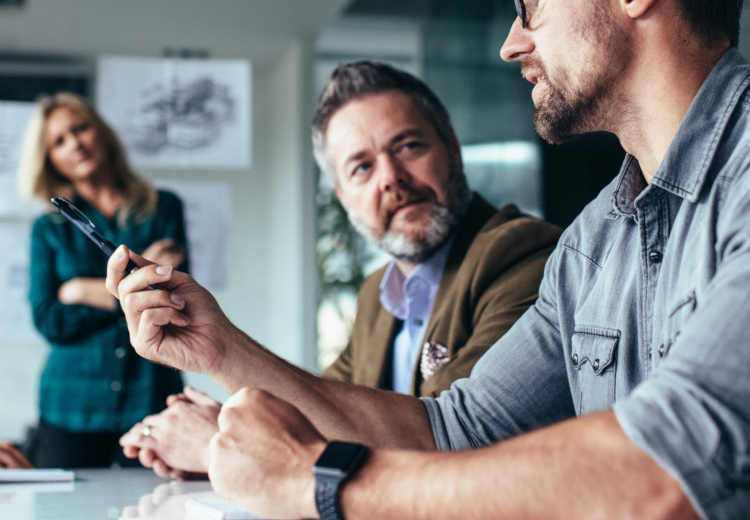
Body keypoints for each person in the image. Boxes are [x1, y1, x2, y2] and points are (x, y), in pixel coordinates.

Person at [107, 0, 749, 520]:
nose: (512, 44)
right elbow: (450, 431)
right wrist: (220, 346)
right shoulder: (596, 242)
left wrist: (323, 482)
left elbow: (670, 475)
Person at [119, 62, 561, 477]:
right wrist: (231, 419)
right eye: (362, 167)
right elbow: (323, 411)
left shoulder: (522, 254)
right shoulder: (378, 294)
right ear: (342, 195)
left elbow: (447, 442)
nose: (390, 177)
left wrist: (221, 442)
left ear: (452, 146)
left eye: (408, 146)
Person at [19, 92, 189, 468]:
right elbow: (49, 319)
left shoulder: (164, 208)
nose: (75, 143)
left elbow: (173, 299)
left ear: (101, 133)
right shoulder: (48, 230)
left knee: (157, 513)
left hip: (149, 396)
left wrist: (78, 290)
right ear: (50, 160)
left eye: (80, 129)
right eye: (59, 141)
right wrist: (133, 290)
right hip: (71, 404)